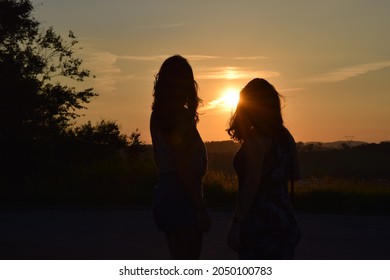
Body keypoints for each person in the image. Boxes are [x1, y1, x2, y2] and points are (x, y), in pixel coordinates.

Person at [226, 78, 301, 259]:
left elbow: (252, 183)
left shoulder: (257, 139)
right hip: (284, 219)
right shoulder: (285, 136)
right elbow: (296, 173)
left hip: (260, 222)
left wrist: (237, 222)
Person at [150, 55, 210, 259]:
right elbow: (183, 166)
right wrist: (200, 208)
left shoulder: (157, 114)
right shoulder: (180, 118)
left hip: (165, 193)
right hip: (182, 194)